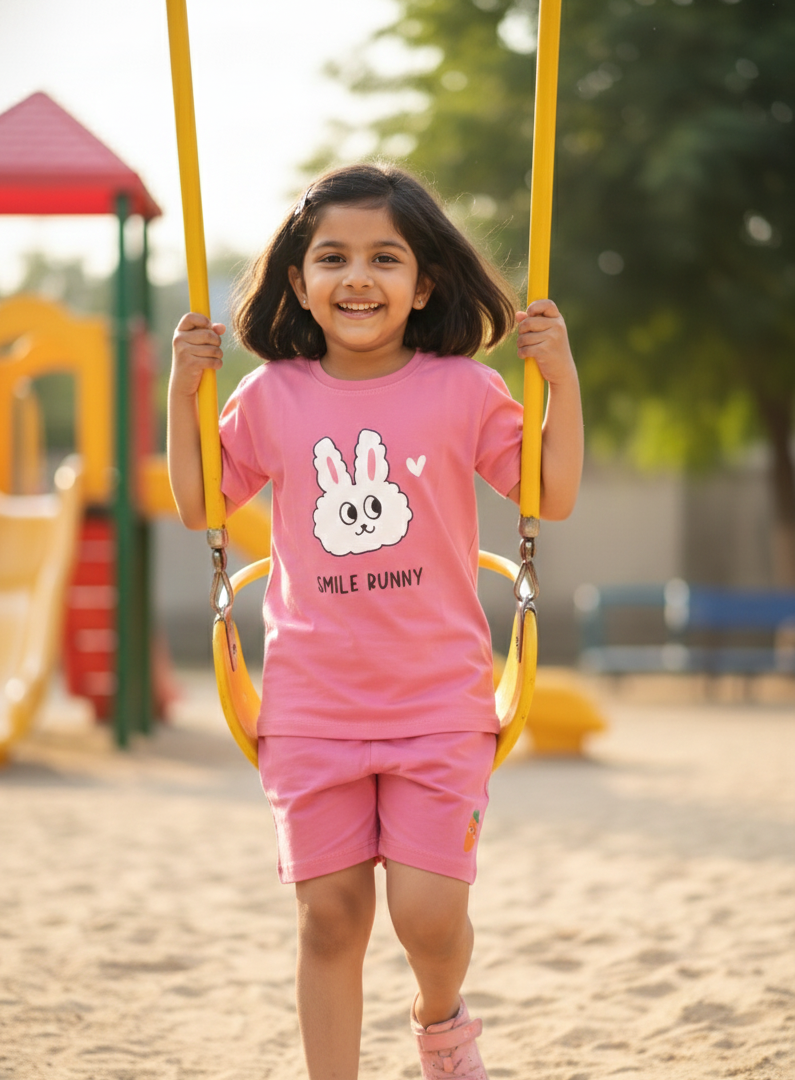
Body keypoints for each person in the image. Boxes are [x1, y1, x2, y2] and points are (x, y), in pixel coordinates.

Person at [168, 162, 583, 1080]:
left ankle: (442, 1021)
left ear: (422, 281)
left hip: (439, 699)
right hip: (314, 704)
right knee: (330, 918)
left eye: (384, 258)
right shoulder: (271, 397)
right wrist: (181, 392)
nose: (358, 277)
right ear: (298, 283)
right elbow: (201, 506)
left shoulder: (464, 391)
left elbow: (548, 493)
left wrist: (560, 375)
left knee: (429, 915)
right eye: (333, 258)